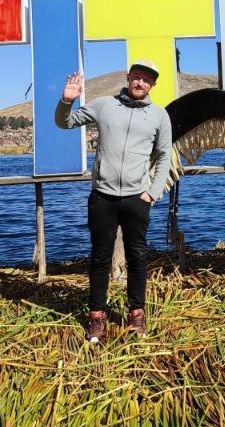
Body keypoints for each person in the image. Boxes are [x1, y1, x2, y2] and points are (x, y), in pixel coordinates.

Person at [55, 59, 172, 344]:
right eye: (137, 77)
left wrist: (152, 193)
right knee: (99, 258)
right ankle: (97, 318)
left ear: (153, 85)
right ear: (128, 77)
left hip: (136, 199)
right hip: (103, 197)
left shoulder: (159, 116)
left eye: (147, 80)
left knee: (138, 258)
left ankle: (136, 315)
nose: (140, 83)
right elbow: (64, 122)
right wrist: (65, 101)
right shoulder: (105, 105)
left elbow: (165, 155)